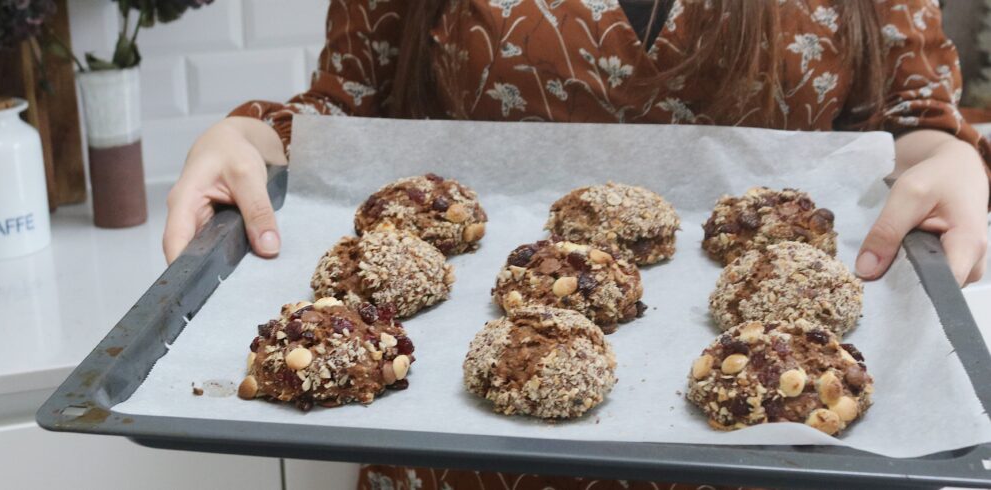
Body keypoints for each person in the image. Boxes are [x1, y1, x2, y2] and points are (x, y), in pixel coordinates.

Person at [163, 0, 989, 488]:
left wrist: (949, 156)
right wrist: (251, 138)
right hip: (463, 469)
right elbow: (344, 119)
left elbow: (908, 132)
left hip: (786, 464)